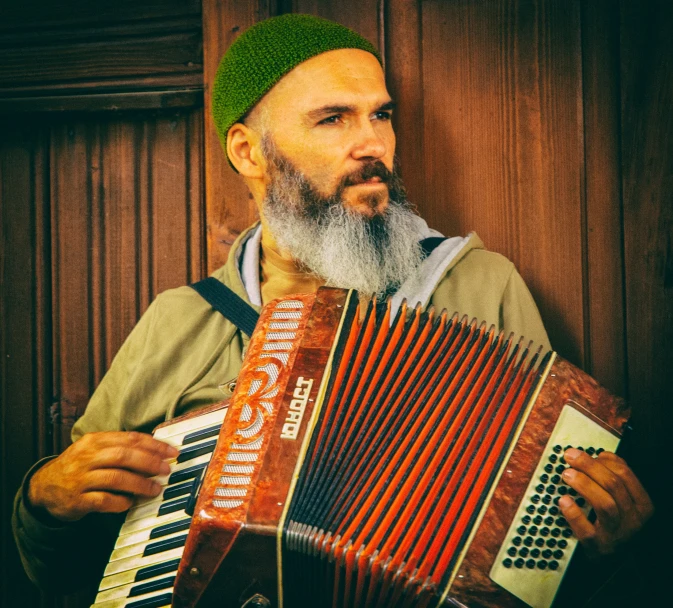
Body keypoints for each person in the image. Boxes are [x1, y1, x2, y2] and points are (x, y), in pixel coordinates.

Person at [13, 13, 653, 599]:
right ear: (247, 152)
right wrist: (42, 503)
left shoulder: (480, 287)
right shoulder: (179, 321)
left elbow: (551, 550)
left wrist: (607, 542)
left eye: (381, 115)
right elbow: (73, 565)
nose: (372, 143)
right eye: (333, 119)